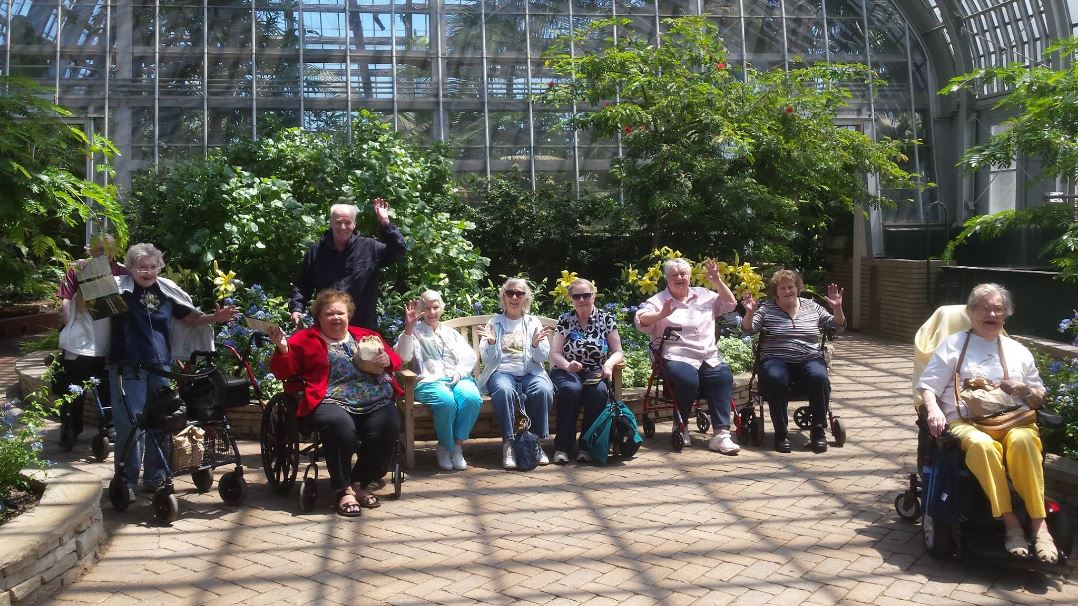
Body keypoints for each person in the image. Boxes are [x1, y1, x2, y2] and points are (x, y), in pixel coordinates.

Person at [916, 283, 1058, 563]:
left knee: (1024, 441)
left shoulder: (1018, 350)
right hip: (965, 421)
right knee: (982, 446)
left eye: (998, 309)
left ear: (1007, 314)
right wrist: (933, 410)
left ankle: (1039, 525)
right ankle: (1011, 523)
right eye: (985, 308)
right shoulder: (953, 345)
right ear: (971, 311)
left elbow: (1039, 396)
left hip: (1013, 419)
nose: (992, 314)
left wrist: (1024, 389)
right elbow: (928, 386)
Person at [108, 243, 236, 498]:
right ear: (130, 268)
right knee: (131, 424)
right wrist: (89, 270)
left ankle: (156, 477)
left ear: (159, 267)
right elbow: (94, 308)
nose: (147, 271)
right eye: (141, 267)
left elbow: (191, 318)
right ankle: (126, 482)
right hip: (128, 366)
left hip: (161, 367)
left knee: (163, 421)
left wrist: (215, 318)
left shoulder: (166, 291)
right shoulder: (118, 290)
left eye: (153, 266)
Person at [269, 290, 403, 516]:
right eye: (329, 313)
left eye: (340, 313)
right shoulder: (304, 339)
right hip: (329, 398)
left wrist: (386, 360)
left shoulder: (366, 335)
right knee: (338, 426)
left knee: (388, 426)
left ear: (348, 315)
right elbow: (284, 372)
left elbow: (395, 361)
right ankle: (344, 490)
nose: (336, 317)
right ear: (319, 317)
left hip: (373, 397)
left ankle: (359, 483)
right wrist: (283, 348)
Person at [635, 258, 740, 454]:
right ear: (667, 278)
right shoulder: (658, 300)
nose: (679, 278)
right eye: (674, 275)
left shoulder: (704, 294)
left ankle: (721, 435)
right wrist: (661, 315)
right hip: (676, 355)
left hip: (707, 354)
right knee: (687, 379)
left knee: (722, 376)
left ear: (689, 276)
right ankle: (681, 425)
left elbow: (730, 303)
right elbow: (641, 319)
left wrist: (717, 280)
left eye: (683, 274)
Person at [740, 270, 845, 454]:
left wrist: (837, 308)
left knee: (819, 376)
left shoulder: (812, 307)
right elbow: (748, 330)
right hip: (776, 359)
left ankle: (818, 431)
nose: (787, 291)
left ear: (798, 288)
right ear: (776, 291)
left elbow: (837, 326)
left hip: (809, 358)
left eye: (791, 287)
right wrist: (749, 312)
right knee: (775, 377)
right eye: (783, 288)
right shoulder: (766, 309)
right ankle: (781, 433)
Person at [395, 291, 482, 471]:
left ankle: (455, 447)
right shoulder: (414, 332)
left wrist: (459, 372)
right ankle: (445, 447)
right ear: (421, 310)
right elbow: (402, 356)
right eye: (427, 308)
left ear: (441, 308)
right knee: (446, 402)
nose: (432, 312)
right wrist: (408, 328)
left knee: (472, 398)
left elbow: (468, 355)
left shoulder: (450, 333)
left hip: (457, 377)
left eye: (435, 307)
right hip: (428, 381)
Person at [55, 232, 127, 447]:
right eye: (99, 249)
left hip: (108, 344)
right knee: (72, 387)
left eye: (108, 249)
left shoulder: (123, 272)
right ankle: (70, 427)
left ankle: (109, 427)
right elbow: (65, 300)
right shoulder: (77, 269)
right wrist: (69, 326)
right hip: (80, 342)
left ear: (115, 251)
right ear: (90, 249)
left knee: (108, 385)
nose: (104, 253)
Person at [290, 198, 406, 330]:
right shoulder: (316, 251)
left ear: (354, 224)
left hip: (362, 327)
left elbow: (398, 250)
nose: (343, 227)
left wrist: (385, 222)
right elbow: (303, 285)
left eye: (347, 222)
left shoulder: (370, 248)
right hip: (327, 327)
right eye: (338, 222)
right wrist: (297, 308)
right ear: (331, 223)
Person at [477, 278, 555, 469]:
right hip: (501, 372)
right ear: (504, 296)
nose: (514, 297)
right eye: (510, 293)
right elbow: (487, 359)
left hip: (530, 372)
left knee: (544, 389)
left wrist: (535, 345)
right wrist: (492, 343)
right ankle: (509, 444)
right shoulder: (494, 323)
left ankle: (535, 442)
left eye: (519, 293)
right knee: (504, 390)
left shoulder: (533, 322)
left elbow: (542, 357)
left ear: (525, 298)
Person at [549, 278, 624, 464]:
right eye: (577, 296)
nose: (582, 299)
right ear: (571, 299)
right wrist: (567, 365)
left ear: (593, 296)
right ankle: (562, 447)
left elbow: (618, 351)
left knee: (598, 392)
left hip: (596, 371)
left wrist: (609, 365)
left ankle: (587, 446)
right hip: (567, 371)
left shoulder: (606, 319)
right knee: (570, 390)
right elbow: (555, 353)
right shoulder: (565, 320)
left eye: (586, 295)